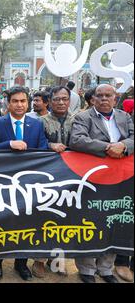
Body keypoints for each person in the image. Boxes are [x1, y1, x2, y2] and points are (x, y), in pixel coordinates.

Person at [70, 84, 134, 283]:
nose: (104, 99)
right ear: (93, 99)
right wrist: (109, 147)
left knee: (114, 220)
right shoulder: (83, 117)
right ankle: (87, 270)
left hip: (121, 179)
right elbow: (77, 140)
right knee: (91, 220)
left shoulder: (125, 117)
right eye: (100, 95)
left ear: (116, 98)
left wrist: (123, 146)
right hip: (93, 178)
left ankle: (105, 269)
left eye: (108, 95)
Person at [0, 86, 48, 281]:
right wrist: (9, 144)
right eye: (15, 101)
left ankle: (21, 264)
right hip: (3, 185)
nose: (19, 105)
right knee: (1, 223)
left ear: (28, 103)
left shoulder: (36, 124)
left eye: (23, 101)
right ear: (8, 103)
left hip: (28, 184)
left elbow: (42, 149)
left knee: (26, 224)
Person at [31, 86, 76, 278]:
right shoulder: (40, 122)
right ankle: (39, 260)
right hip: (46, 178)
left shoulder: (79, 120)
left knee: (66, 219)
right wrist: (50, 145)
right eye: (57, 99)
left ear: (69, 100)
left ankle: (57, 260)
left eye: (64, 99)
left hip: (72, 178)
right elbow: (37, 144)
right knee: (44, 217)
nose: (61, 102)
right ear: (50, 101)